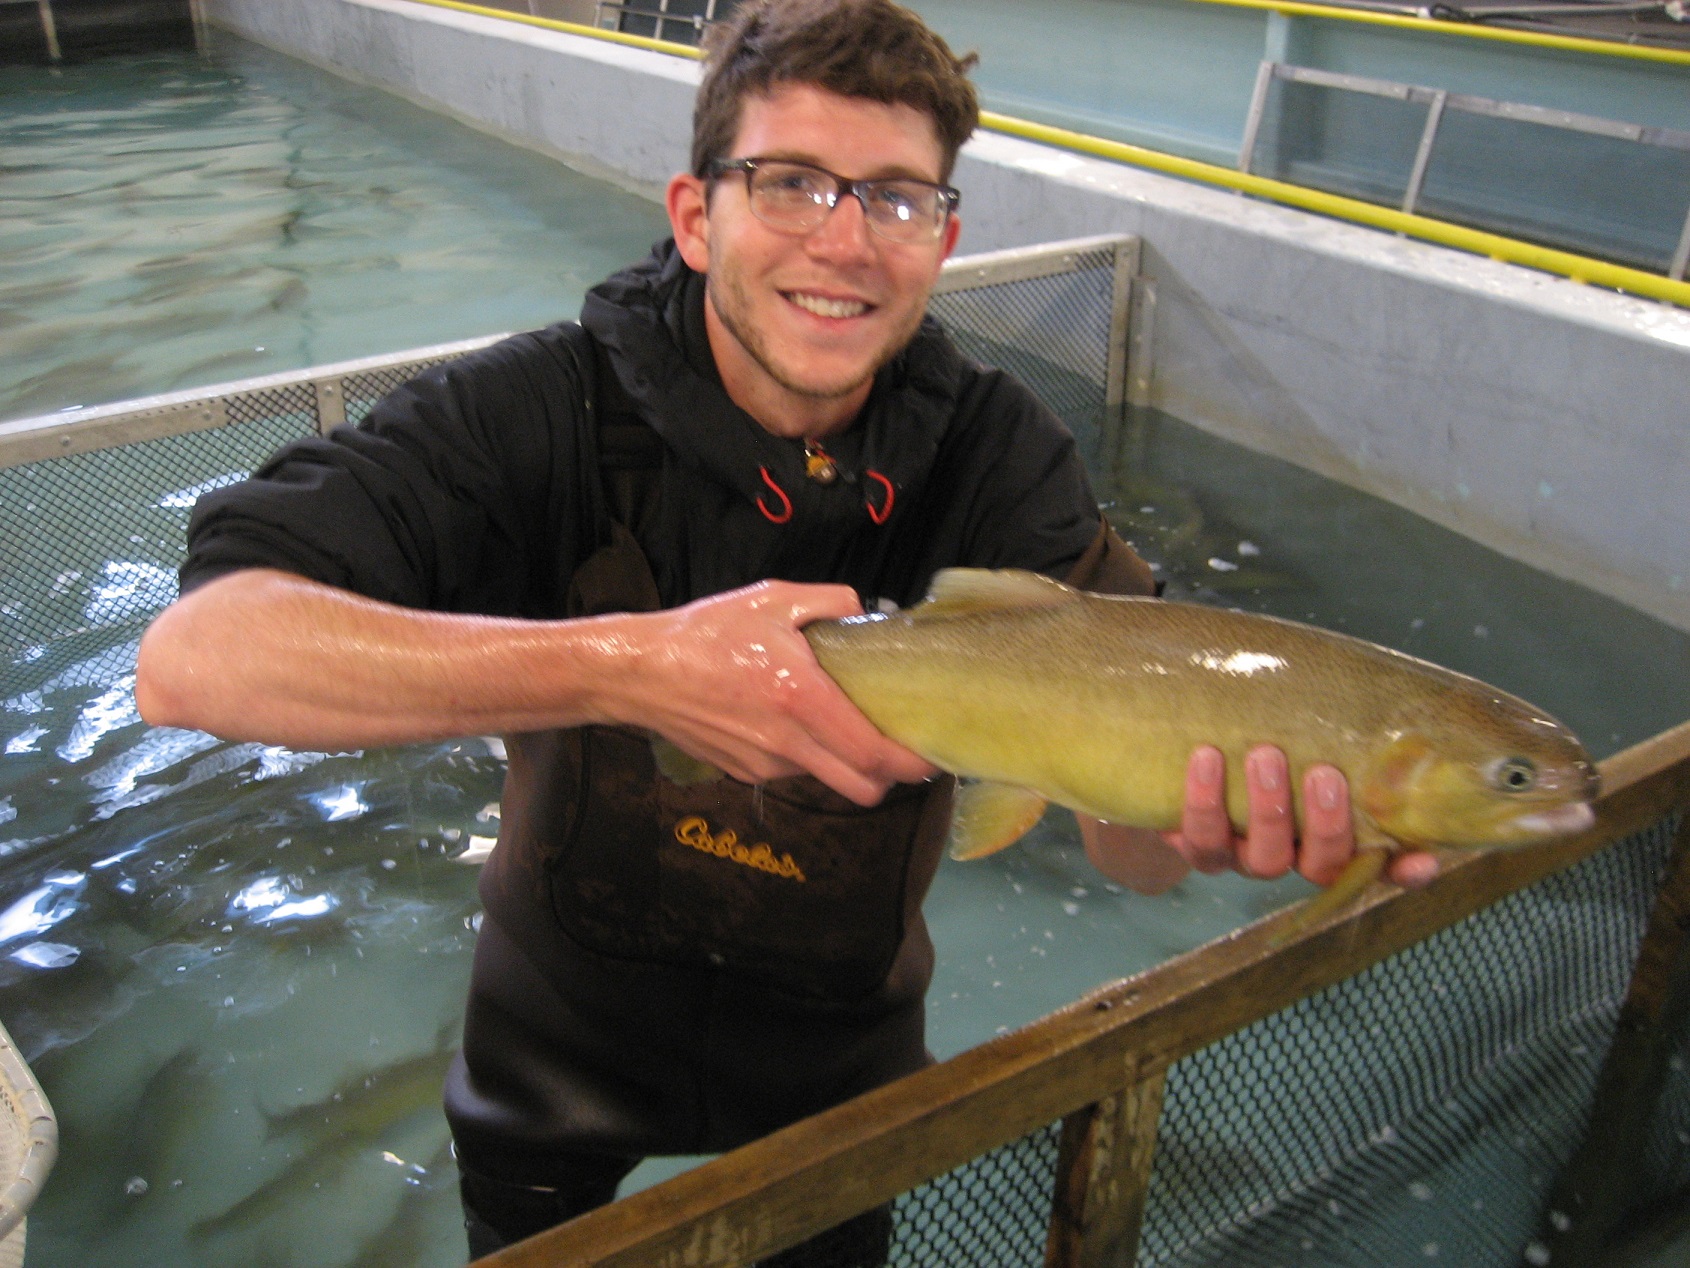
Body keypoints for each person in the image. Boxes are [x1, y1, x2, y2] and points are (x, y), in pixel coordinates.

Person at [134, 0, 1435, 1258]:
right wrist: (630, 667)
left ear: (941, 234)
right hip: (553, 1046)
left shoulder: (998, 456)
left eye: (896, 197)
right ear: (697, 216)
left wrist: (1207, 814)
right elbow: (197, 657)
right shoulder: (538, 412)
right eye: (791, 182)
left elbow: (1135, 858)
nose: (846, 240)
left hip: (840, 1069)